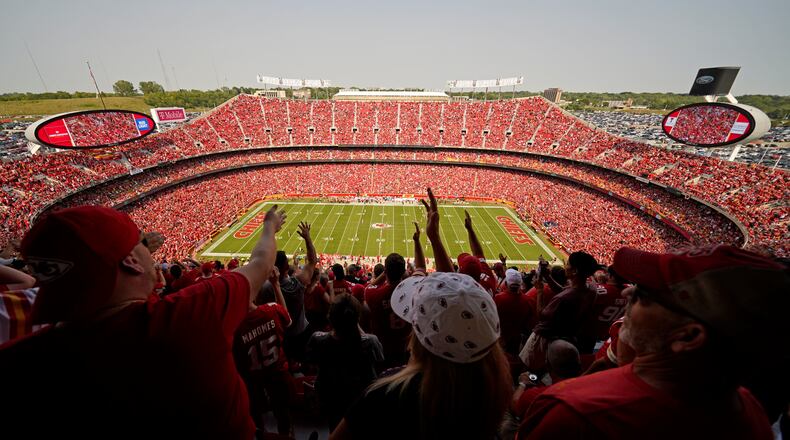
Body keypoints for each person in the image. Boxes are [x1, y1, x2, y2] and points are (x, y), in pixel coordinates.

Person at [0, 204, 286, 438]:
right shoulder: (191, 316)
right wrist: (269, 226)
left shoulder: (17, 363)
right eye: (141, 243)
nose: (149, 251)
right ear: (131, 262)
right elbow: (260, 263)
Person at [517, 245, 789, 440]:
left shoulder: (576, 412)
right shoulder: (750, 411)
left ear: (688, 336)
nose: (629, 290)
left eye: (647, 293)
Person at [330, 189, 512, 440]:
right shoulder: (492, 395)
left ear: (420, 331)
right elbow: (457, 299)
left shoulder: (385, 395)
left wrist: (432, 237)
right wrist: (433, 238)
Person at [306, 294, 384, 431]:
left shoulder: (317, 340)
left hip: (330, 398)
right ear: (357, 319)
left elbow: (311, 363)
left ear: (330, 318)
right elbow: (379, 363)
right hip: (361, 400)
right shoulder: (371, 342)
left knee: (334, 427)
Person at [233, 267, 293, 436]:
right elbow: (288, 320)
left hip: (253, 381)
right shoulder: (271, 310)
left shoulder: (235, 327)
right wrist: (276, 286)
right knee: (284, 417)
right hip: (278, 373)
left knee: (256, 422)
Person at [520, 251, 600, 371]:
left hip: (545, 336)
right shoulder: (591, 289)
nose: (565, 267)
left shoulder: (563, 298)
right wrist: (548, 276)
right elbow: (563, 289)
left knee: (529, 367)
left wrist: (540, 290)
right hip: (566, 335)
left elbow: (542, 316)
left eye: (568, 264)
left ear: (575, 271)